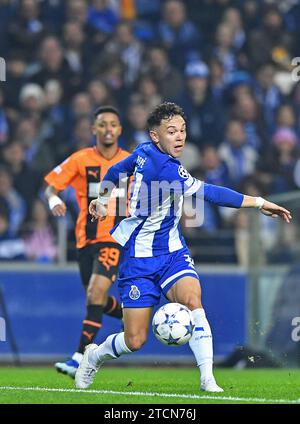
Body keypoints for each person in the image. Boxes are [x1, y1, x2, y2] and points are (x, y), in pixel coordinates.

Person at [77, 102, 292, 392]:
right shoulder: (165, 168)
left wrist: (102, 199)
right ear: (156, 136)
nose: (180, 137)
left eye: (182, 130)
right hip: (139, 260)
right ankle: (94, 355)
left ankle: (208, 379)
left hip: (172, 254)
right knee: (134, 340)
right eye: (171, 131)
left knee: (193, 302)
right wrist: (260, 202)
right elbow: (211, 193)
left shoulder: (142, 151)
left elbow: (115, 170)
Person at [44, 105, 130, 378]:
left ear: (120, 129)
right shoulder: (80, 159)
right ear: (93, 129)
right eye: (102, 124)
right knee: (97, 300)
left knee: (95, 294)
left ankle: (80, 357)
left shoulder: (130, 161)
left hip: (114, 238)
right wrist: (54, 199)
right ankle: (133, 318)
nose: (108, 129)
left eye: (113, 124)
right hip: (85, 240)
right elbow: (51, 186)